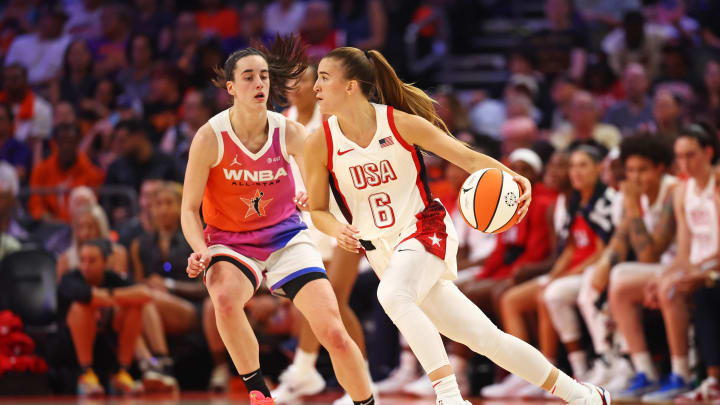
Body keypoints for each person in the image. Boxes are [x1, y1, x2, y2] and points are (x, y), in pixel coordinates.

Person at [305, 46, 610, 405]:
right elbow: (318, 210)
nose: (316, 87)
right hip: (383, 251)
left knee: (390, 295)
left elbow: (464, 156)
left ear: (351, 85)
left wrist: (512, 176)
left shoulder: (398, 123)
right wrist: (335, 229)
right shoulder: (319, 142)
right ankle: (583, 395)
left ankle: (450, 398)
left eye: (324, 78)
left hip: (424, 229)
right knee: (485, 338)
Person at [181, 36, 375, 405]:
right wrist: (201, 250)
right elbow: (189, 209)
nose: (259, 84)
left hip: (286, 236)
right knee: (223, 299)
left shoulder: (289, 131)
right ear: (231, 87)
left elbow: (326, 187)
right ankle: (259, 392)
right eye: (249, 77)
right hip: (230, 241)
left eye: (264, 77)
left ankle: (367, 401)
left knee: (332, 330)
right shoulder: (210, 137)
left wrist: (314, 196)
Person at [612, 124, 719, 401]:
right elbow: (684, 252)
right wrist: (664, 276)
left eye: (690, 155)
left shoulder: (713, 186)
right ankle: (644, 372)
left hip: (712, 267)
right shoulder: (684, 191)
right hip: (693, 266)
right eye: (680, 157)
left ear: (708, 153)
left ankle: (682, 375)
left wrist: (678, 275)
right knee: (626, 285)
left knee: (669, 286)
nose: (684, 163)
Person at [130, 181, 226, 392]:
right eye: (158, 204)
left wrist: (169, 286)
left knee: (146, 298)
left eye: (169, 203)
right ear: (150, 209)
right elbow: (138, 282)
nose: (163, 209)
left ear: (181, 205)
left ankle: (162, 366)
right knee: (135, 303)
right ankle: (149, 365)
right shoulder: (140, 244)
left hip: (194, 307)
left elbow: (208, 286)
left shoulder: (196, 238)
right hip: (154, 307)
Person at [58, 238, 151, 396]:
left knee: (134, 308)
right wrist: (119, 297)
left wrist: (109, 294)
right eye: (82, 260)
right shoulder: (69, 279)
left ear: (105, 262)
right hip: (69, 348)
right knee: (81, 307)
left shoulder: (111, 278)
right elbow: (89, 295)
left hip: (106, 344)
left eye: (92, 261)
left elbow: (145, 294)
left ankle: (122, 373)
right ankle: (85, 374)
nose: (85, 266)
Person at [28, 123, 105, 222]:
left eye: (71, 142)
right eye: (62, 142)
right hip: (48, 226)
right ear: (55, 144)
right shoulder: (41, 170)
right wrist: (43, 216)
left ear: (78, 143)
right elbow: (35, 204)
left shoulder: (92, 173)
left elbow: (92, 207)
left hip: (80, 225)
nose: (66, 147)